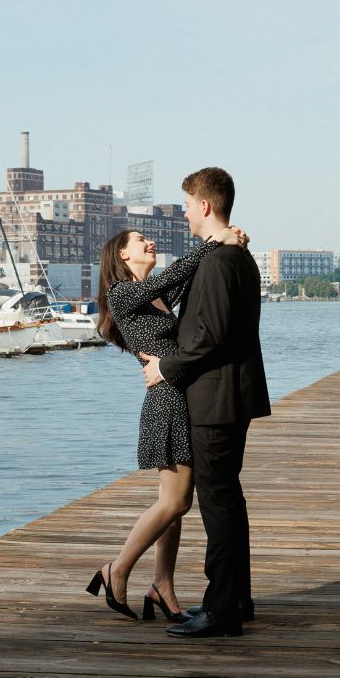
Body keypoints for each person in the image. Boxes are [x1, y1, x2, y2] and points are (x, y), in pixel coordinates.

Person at [88, 223, 249, 622]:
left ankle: (163, 586)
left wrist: (228, 241)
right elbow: (180, 272)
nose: (150, 242)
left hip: (179, 396)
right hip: (166, 403)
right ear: (123, 256)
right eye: (140, 240)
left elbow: (187, 277)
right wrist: (214, 241)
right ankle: (116, 569)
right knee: (175, 501)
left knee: (173, 504)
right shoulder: (122, 294)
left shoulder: (157, 297)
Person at [140, 166, 270, 638]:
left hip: (216, 398)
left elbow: (210, 336)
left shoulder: (218, 262)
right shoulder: (234, 255)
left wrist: (164, 368)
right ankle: (234, 598)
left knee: (218, 503)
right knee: (227, 499)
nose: (186, 213)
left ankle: (222, 610)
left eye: (189, 205)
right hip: (230, 394)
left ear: (206, 206)